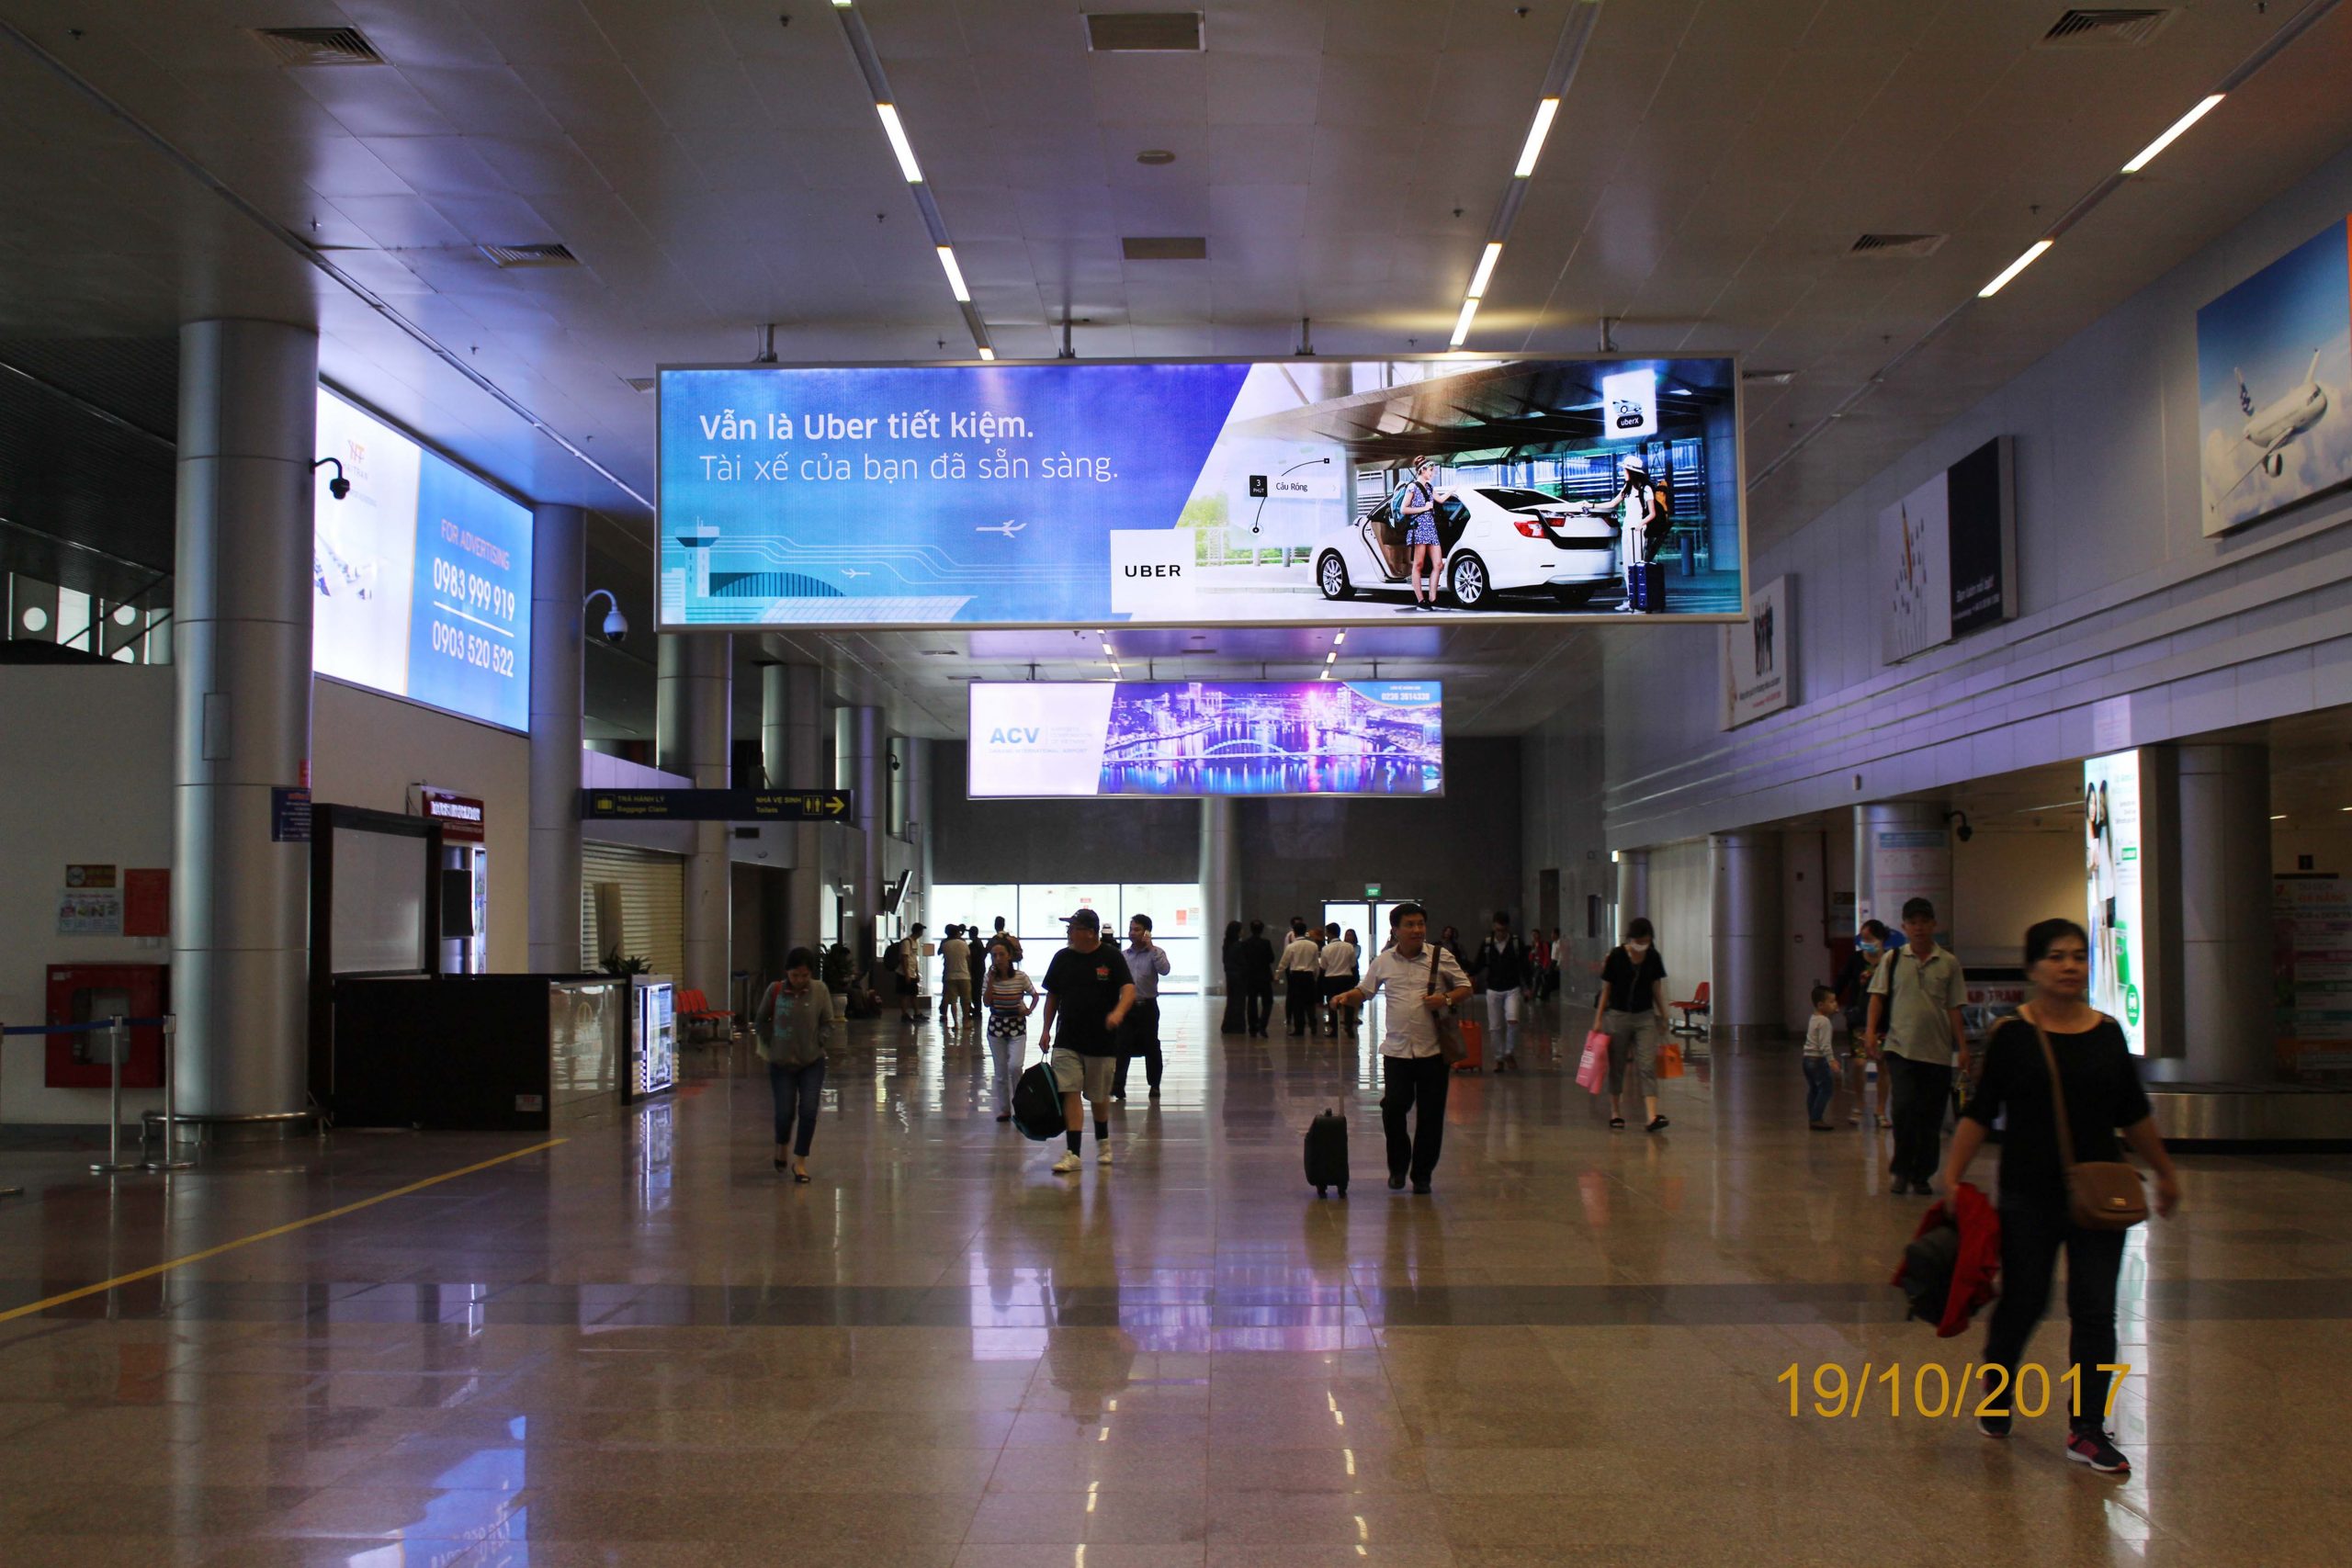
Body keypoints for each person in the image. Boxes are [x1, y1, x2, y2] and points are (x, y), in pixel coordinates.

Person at [1940, 918, 2181, 1477]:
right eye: (2056, 956)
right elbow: (1980, 1112)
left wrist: (2165, 1172)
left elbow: (2133, 1112)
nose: (2069, 966)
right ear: (2033, 967)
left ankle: (2087, 1428)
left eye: (2077, 956)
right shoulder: (2012, 1036)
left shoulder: (2107, 1034)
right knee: (2025, 1302)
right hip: (2028, 1193)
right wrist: (1952, 1176)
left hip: (2098, 1194)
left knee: (2095, 1310)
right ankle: (1997, 1392)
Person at [1331, 903, 1471, 1194]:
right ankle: (1398, 1167)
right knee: (1393, 1108)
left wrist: (1445, 1000)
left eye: (1421, 924)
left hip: (1434, 1052)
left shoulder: (1439, 956)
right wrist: (1345, 997)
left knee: (1431, 1116)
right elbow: (1365, 991)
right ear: (1395, 930)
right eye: (1410, 925)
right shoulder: (1384, 961)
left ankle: (1422, 1175)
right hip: (1397, 1052)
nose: (1417, 930)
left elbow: (1465, 987)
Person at [1867, 897, 1969, 1196]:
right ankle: (1901, 1170)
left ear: (1933, 924)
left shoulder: (1948, 963)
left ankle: (1922, 1173)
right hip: (1901, 1049)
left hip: (1937, 1052)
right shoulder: (1893, 959)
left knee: (1930, 1117)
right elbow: (1877, 997)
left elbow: (1954, 1007)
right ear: (1904, 927)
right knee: (1904, 1109)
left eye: (1924, 922)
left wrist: (1963, 1047)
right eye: (1913, 923)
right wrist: (1870, 1032)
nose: (1919, 928)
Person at [1039, 909, 1135, 1174]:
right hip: (1067, 1039)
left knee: (1099, 1096)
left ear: (1091, 933)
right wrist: (1046, 1030)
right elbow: (1052, 996)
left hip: (1101, 1040)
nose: (1069, 933)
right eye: (1069, 928)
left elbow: (1128, 989)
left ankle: (1103, 1141)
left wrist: (1118, 1012)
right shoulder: (1062, 958)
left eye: (1074, 928)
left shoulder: (1111, 957)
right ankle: (1073, 1152)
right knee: (1069, 1090)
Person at [753, 947, 835, 1183]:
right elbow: (760, 1020)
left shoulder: (820, 991)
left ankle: (800, 1162)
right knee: (784, 1112)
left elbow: (828, 1022)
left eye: (805, 975)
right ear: (787, 972)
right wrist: (772, 1043)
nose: (800, 980)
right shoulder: (775, 991)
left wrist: (819, 1040)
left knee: (808, 1110)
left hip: (812, 1062)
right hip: (781, 1064)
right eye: (795, 975)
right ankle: (781, 1145)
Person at [1592, 917, 1670, 1132]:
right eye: (1639, 941)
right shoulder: (1617, 956)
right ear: (1631, 938)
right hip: (1618, 1016)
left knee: (1647, 1065)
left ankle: (1651, 1116)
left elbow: (1656, 989)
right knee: (1617, 1065)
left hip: (1645, 1017)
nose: (1642, 945)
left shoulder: (1653, 957)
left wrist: (1664, 1015)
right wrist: (1598, 1019)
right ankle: (1616, 1112)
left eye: (1646, 941)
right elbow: (1606, 989)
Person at [1837, 920, 1893, 1125]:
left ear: (1881, 939)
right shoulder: (1856, 960)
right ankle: (1859, 1104)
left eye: (1870, 939)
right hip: (1859, 1019)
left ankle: (1881, 1110)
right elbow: (1841, 982)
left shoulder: (1890, 960)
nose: (1866, 943)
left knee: (1883, 1064)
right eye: (1863, 939)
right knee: (1859, 1063)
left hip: (1884, 1021)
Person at [1113, 913, 1171, 1101]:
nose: (1132, 933)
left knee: (1151, 1045)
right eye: (1131, 929)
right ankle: (1118, 1086)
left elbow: (1165, 970)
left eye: (1137, 929)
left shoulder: (1156, 953)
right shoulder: (1123, 956)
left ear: (1147, 932)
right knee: (1122, 1045)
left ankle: (1154, 1084)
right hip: (1127, 1007)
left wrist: (1151, 948)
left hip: (1148, 1006)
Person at [981, 938, 1038, 1122]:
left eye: (1001, 955)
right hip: (996, 1028)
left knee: (1015, 1066)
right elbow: (986, 1002)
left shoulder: (1020, 977)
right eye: (994, 955)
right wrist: (991, 981)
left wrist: (1028, 1010)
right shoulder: (989, 977)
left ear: (1009, 956)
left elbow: (1035, 995)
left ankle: (1020, 1106)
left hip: (1017, 1027)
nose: (998, 959)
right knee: (1000, 1072)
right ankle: (1005, 1109)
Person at [1471, 914, 1527, 1072]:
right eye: (1497, 930)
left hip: (1512, 988)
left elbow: (1525, 966)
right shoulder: (1488, 944)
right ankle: (1499, 1058)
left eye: (1503, 930)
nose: (1500, 933)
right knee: (1494, 1027)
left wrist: (1528, 986)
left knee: (1513, 1020)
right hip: (1493, 989)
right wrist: (1469, 974)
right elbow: (1479, 963)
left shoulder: (1516, 943)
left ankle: (1509, 1052)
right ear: (1493, 927)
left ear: (1508, 928)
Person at [1611, 453, 1666, 613]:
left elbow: (1652, 513)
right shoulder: (1627, 488)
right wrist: (1590, 505)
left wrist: (1640, 524)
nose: (1623, 472)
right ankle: (1632, 600)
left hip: (1638, 532)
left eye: (1625, 470)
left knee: (1638, 566)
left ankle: (1641, 601)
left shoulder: (1645, 488)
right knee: (1628, 567)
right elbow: (1612, 503)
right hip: (1627, 530)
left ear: (1632, 472)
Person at [1398, 455, 1445, 611]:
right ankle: (1421, 600)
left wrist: (1454, 490)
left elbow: (1441, 500)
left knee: (1438, 564)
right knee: (1418, 564)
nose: (1432, 473)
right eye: (1431, 470)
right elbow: (1403, 509)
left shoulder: (1430, 488)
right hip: (1419, 527)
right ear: (1422, 470)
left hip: (1431, 528)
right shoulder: (1412, 487)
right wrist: (1424, 508)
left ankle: (1433, 598)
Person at [1803, 985, 1838, 1130]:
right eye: (1831, 1002)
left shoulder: (1814, 1018)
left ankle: (1812, 1116)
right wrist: (1831, 1060)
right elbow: (1825, 1045)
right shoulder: (1824, 1022)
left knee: (1814, 1089)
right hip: (1818, 1061)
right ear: (1820, 1005)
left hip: (1807, 1059)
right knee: (1826, 1090)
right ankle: (1816, 1118)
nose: (1835, 1004)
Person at [1281, 919, 1324, 1038]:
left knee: (1297, 1003)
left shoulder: (1291, 946)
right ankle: (1313, 1025)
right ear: (1306, 932)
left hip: (1296, 975)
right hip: (1309, 976)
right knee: (1310, 1002)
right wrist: (1315, 976)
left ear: (1294, 932)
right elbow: (1316, 963)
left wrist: (1277, 975)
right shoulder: (1313, 945)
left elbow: (1284, 962)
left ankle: (1299, 1028)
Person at [1317, 923, 1359, 1035]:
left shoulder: (1326, 949)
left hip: (1331, 979)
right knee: (1348, 1003)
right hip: (1346, 978)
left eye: (1327, 932)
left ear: (1330, 933)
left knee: (1333, 1004)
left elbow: (1323, 966)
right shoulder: (1348, 947)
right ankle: (1349, 1028)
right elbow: (1353, 964)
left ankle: (1334, 1029)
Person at [1239, 919, 1277, 1037]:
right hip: (1264, 976)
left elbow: (1243, 960)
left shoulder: (1245, 944)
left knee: (1252, 1002)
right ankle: (1262, 1025)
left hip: (1251, 977)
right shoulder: (1266, 943)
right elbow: (1271, 959)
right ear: (1262, 930)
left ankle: (1253, 1027)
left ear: (1251, 929)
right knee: (1268, 1002)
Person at [939, 924, 972, 1032]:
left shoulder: (945, 944)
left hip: (950, 976)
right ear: (957, 932)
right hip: (964, 975)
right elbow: (968, 958)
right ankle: (966, 1022)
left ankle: (956, 1024)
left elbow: (940, 953)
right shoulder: (963, 944)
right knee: (965, 1001)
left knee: (953, 1002)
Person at [1219, 919, 1245, 1035]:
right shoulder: (1238, 945)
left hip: (1230, 975)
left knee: (1231, 1001)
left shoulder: (1227, 944)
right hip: (1239, 976)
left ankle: (1228, 1025)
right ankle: (1237, 1026)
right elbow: (1242, 961)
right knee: (1239, 1001)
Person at [894, 923, 925, 1021]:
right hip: (903, 973)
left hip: (912, 973)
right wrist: (907, 974)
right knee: (903, 994)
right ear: (918, 931)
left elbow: (914, 959)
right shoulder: (906, 942)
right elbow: (904, 958)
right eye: (921, 931)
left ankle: (917, 1013)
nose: (922, 933)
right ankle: (904, 1014)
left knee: (913, 994)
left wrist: (917, 972)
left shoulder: (915, 942)